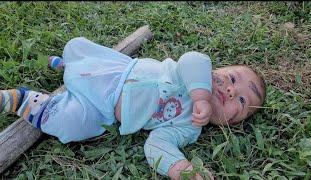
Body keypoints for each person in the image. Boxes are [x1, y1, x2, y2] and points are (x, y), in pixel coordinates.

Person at [0, 37, 265, 179]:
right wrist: (200, 96)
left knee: (71, 125)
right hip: (117, 71)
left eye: (241, 102)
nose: (231, 90)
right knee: (82, 52)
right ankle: (67, 65)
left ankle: (24, 100)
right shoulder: (197, 73)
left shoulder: (189, 128)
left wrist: (180, 167)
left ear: (233, 123)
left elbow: (157, 144)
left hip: (103, 109)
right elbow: (193, 59)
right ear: (217, 69)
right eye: (232, 78)